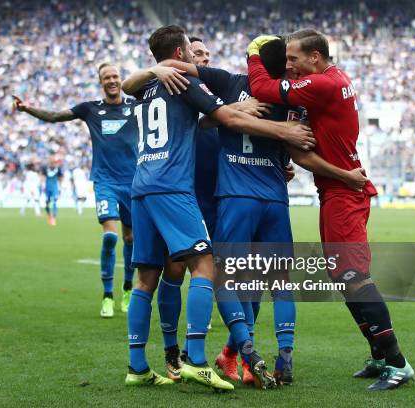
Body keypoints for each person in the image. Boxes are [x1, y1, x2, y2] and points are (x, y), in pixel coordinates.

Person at [139, 36, 368, 387]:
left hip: (232, 197)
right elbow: (300, 151)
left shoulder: (229, 83)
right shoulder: (292, 101)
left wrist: (157, 70)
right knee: (276, 284)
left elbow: (187, 81)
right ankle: (283, 354)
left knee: (227, 279)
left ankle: (243, 350)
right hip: (275, 199)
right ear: (284, 67)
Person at [122, 25, 315, 390]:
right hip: (179, 187)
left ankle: (139, 364)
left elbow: (200, 114)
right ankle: (198, 359)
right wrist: (281, 133)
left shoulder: (148, 86)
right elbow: (224, 118)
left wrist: (229, 105)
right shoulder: (187, 83)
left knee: (149, 277)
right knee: (208, 269)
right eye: (192, 51)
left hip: (146, 185)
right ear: (180, 54)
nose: (200, 57)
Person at [247, 30, 414, 391]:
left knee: (354, 277)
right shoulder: (326, 84)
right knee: (345, 279)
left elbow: (262, 89)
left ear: (316, 59)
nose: (289, 65)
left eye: (294, 59)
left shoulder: (321, 84)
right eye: (286, 59)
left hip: (344, 192)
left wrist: (255, 55)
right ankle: (380, 355)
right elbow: (298, 147)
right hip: (337, 192)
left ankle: (398, 364)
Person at [13, 63, 138, 317]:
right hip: (105, 182)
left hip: (134, 182)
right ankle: (106, 296)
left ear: (121, 79)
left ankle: (127, 288)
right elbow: (55, 116)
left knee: (131, 239)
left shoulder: (136, 107)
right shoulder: (90, 109)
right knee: (110, 236)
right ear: (100, 82)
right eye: (106, 77)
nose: (112, 80)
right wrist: (27, 109)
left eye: (115, 76)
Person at [43, 156, 63, 226]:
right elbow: (42, 177)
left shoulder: (58, 169)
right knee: (47, 202)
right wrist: (42, 185)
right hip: (47, 187)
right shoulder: (45, 168)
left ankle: (53, 218)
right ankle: (49, 215)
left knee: (54, 201)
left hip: (55, 187)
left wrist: (60, 187)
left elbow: (61, 177)